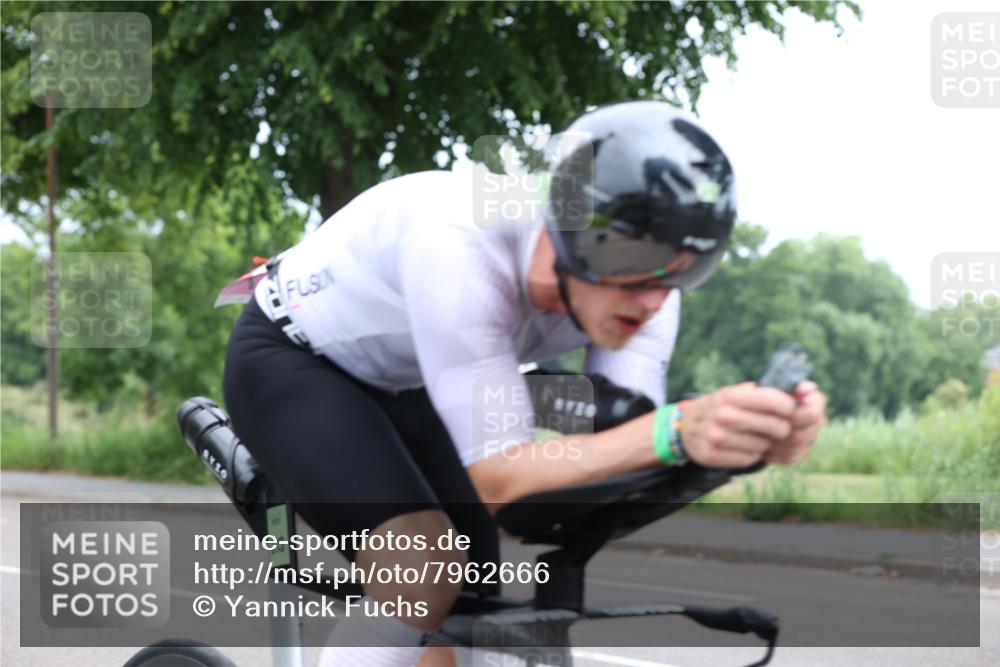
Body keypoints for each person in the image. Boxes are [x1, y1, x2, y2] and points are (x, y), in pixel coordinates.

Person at [221, 100, 827, 667]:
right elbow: (498, 480)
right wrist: (676, 430)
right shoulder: (459, 248)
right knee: (423, 563)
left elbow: (615, 449)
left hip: (419, 383)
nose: (653, 298)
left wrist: (743, 444)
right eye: (634, 263)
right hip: (294, 364)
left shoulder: (649, 297)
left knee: (475, 609)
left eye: (685, 270)